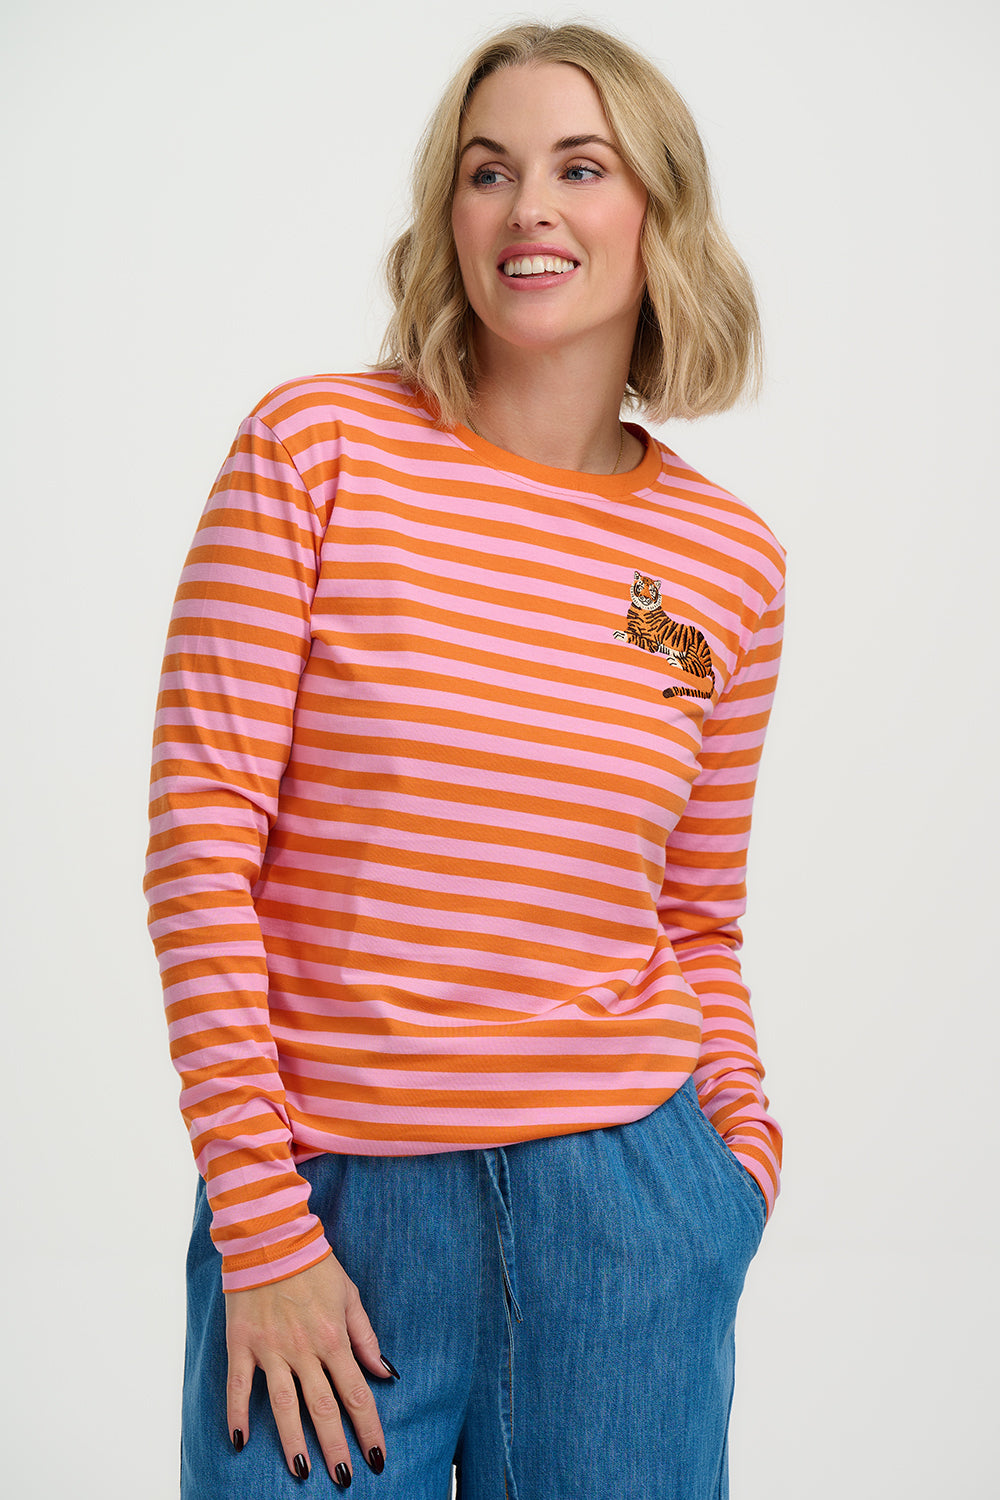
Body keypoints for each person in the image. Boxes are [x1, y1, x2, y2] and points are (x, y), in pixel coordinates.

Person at [144, 20, 785, 1499]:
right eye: (487, 172)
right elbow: (200, 845)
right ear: (450, 214)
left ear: (658, 214)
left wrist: (731, 1168)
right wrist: (261, 1221)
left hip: (628, 1213)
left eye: (581, 166)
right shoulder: (318, 454)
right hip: (338, 1215)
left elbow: (697, 915)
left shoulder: (728, 562)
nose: (529, 210)